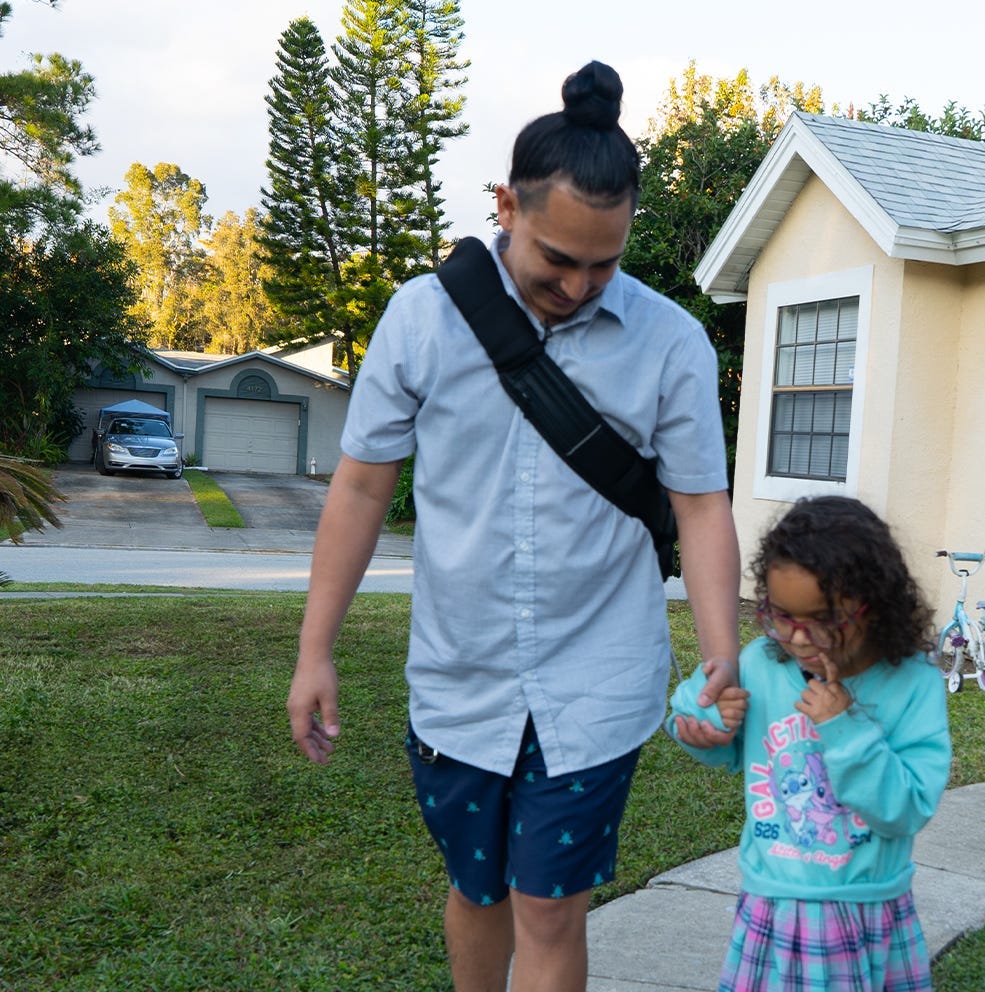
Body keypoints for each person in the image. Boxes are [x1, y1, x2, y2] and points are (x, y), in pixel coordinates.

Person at [286, 61, 742, 992]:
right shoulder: (420, 320)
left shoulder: (670, 342)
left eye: (603, 263)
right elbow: (363, 488)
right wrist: (315, 649)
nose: (579, 286)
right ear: (505, 205)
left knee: (548, 904)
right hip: (459, 676)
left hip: (598, 676)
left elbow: (701, 506)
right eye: (557, 259)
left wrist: (717, 649)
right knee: (477, 889)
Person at [668, 496, 951, 992]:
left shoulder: (912, 683)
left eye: (821, 620)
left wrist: (843, 727)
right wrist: (704, 723)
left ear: (875, 607)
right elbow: (721, 739)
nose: (797, 640)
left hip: (865, 907)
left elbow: (907, 808)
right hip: (772, 903)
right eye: (780, 616)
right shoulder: (762, 664)